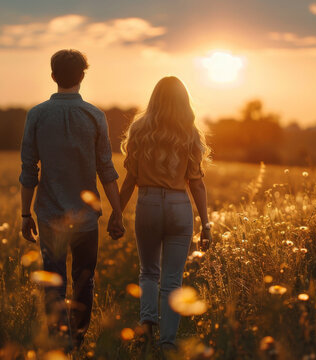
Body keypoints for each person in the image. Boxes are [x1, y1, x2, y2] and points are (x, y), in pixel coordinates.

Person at [19, 49, 125, 350]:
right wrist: (117, 212)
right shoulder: (94, 116)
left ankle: (59, 341)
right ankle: (77, 339)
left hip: (49, 214)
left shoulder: (36, 115)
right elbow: (106, 169)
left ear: (53, 76)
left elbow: (29, 170)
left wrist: (25, 214)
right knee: (84, 280)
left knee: (53, 279)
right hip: (86, 218)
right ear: (82, 76)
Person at [117, 76, 212, 355]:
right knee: (173, 280)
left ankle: (147, 325)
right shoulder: (189, 131)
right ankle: (167, 342)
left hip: (147, 203)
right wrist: (205, 224)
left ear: (154, 98)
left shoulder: (139, 129)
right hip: (178, 205)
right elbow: (196, 182)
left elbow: (130, 179)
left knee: (148, 272)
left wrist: (116, 214)